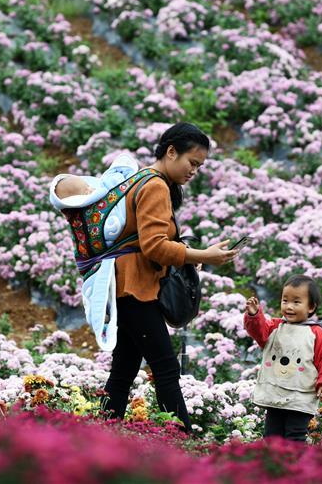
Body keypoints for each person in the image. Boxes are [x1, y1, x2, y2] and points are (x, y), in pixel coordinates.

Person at [101, 122, 240, 433]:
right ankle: (181, 441)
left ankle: (102, 433)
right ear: (171, 151)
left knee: (123, 369)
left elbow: (146, 239)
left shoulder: (140, 180)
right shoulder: (155, 185)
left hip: (126, 286)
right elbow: (154, 246)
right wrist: (204, 255)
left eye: (199, 166)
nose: (194, 171)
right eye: (192, 163)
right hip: (138, 290)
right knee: (166, 369)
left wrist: (185, 252)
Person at [49, 153, 140, 350]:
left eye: (87, 185)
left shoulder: (106, 191)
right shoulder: (82, 214)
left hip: (124, 274)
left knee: (126, 358)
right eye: (85, 190)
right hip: (102, 265)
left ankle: (106, 321)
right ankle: (104, 320)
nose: (91, 188)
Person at [243, 274, 322, 441]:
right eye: (285, 300)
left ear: (311, 307)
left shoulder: (316, 333)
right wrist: (254, 315)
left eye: (296, 302)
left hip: (301, 397)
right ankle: (272, 466)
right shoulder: (275, 327)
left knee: (295, 436)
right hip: (275, 393)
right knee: (272, 436)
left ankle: (294, 466)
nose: (289, 306)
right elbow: (259, 331)